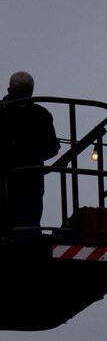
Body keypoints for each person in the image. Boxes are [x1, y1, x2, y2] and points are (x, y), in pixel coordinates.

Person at [0, 71, 60, 231]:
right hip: (30, 182)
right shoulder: (41, 114)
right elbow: (52, 148)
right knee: (28, 230)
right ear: (31, 91)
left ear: (8, 89)